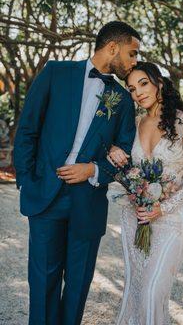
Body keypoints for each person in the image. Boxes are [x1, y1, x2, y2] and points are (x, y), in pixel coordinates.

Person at [13, 21, 141, 325]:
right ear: (113, 47)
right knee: (43, 282)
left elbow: (125, 150)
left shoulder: (122, 99)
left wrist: (93, 169)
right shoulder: (55, 73)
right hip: (46, 196)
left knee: (78, 285)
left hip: (88, 200)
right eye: (132, 53)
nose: (135, 61)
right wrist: (28, 181)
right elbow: (28, 130)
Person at [108, 61, 183, 325]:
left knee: (153, 291)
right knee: (136, 289)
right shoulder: (134, 123)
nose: (137, 92)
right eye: (131, 89)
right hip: (135, 219)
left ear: (158, 83)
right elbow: (126, 167)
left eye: (143, 83)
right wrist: (113, 152)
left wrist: (162, 208)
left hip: (170, 220)